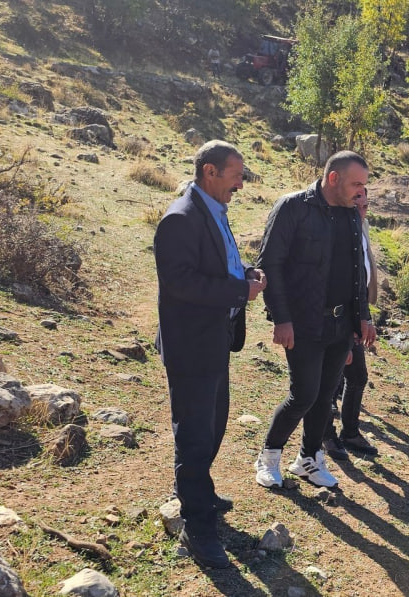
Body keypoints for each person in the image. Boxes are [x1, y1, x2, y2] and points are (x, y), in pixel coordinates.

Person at [154, 140, 266, 569]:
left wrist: (245, 273)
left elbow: (217, 263)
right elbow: (181, 283)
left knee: (214, 423)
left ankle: (197, 489)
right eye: (236, 174)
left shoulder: (213, 209)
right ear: (209, 172)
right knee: (195, 434)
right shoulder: (180, 219)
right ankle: (197, 525)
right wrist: (241, 290)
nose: (241, 182)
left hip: (214, 340)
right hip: (191, 346)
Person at [253, 151, 377, 490]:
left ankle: (308, 460)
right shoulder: (293, 207)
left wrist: (362, 319)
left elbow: (356, 274)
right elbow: (270, 265)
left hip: (341, 325)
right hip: (303, 322)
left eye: (364, 185)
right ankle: (269, 456)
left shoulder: (352, 215)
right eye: (356, 184)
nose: (360, 192)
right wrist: (281, 318)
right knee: (303, 394)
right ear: (333, 178)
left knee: (325, 397)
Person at [322, 188, 379, 459]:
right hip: (334, 319)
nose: (361, 212)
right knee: (328, 381)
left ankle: (350, 433)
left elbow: (363, 278)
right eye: (357, 206)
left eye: (366, 207)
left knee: (356, 377)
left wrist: (365, 318)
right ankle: (326, 436)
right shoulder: (335, 233)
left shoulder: (361, 228)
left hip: (355, 316)